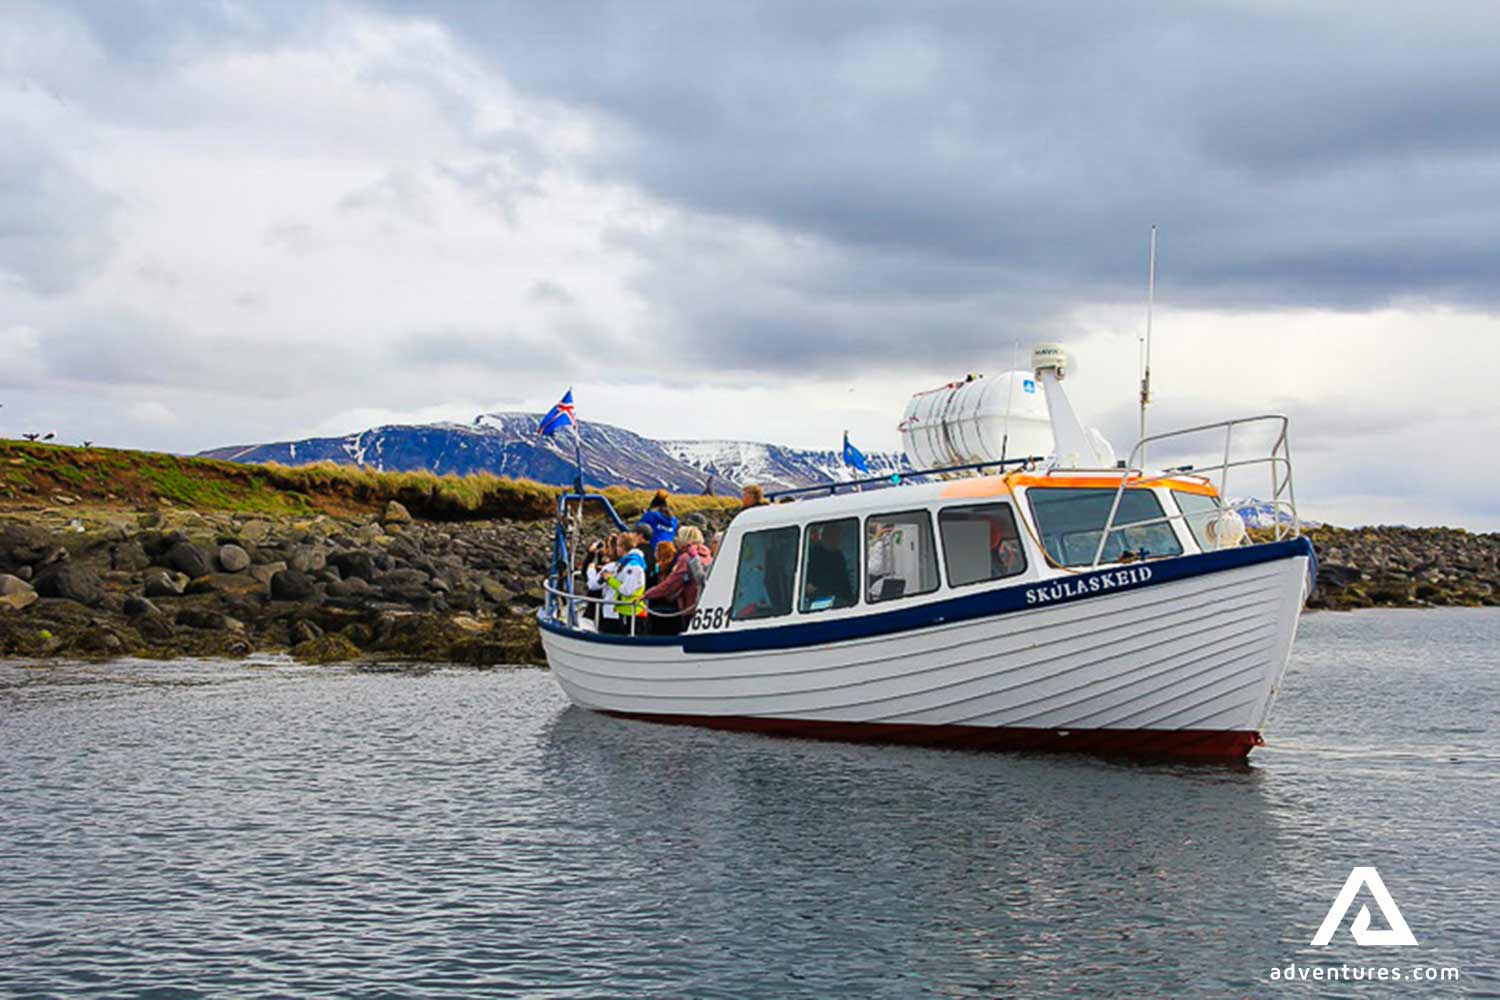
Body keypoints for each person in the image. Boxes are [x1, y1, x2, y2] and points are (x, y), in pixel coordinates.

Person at [644, 526, 713, 635]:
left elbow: (671, 584)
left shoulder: (686, 558)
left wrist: (647, 594)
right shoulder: (709, 557)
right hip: (706, 607)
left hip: (689, 607)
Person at [600, 531, 648, 634]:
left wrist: (609, 579)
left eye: (617, 546)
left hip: (632, 613)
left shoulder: (633, 566)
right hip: (625, 610)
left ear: (623, 547)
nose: (616, 549)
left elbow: (627, 590)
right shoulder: (626, 563)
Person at [804, 522, 854, 608]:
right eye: (833, 536)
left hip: (839, 600)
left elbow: (844, 582)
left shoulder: (838, 556)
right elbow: (808, 585)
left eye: (838, 536)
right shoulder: (812, 555)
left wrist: (851, 600)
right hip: (817, 600)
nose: (836, 540)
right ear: (825, 536)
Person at [587, 534, 623, 633]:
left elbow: (593, 585)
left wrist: (591, 570)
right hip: (621, 611)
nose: (606, 550)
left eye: (608, 547)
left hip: (609, 609)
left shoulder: (610, 567)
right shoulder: (625, 564)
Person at [646, 541, 678, 633]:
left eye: (657, 550)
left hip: (660, 606)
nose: (655, 552)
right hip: (673, 608)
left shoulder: (659, 569)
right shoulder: (673, 567)